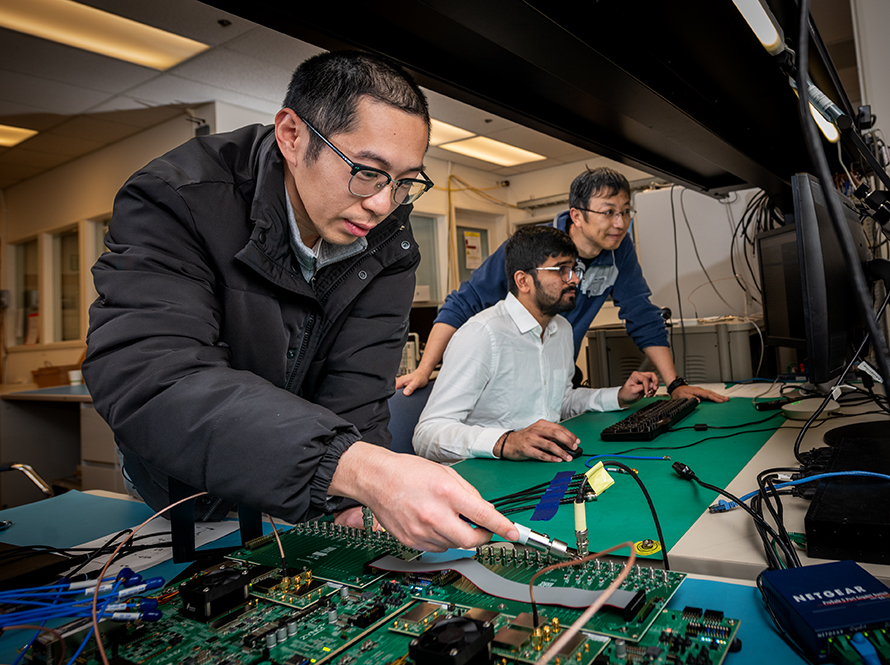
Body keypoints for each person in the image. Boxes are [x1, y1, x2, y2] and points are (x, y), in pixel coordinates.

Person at [83, 51, 518, 553]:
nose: (382, 203)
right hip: (178, 491)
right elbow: (152, 376)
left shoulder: (388, 242)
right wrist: (355, 468)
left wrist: (353, 501)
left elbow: (357, 390)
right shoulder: (177, 197)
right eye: (367, 171)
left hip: (303, 489)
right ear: (292, 135)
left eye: (404, 182)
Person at [398, 168, 728, 404]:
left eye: (626, 212)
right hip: (502, 383)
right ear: (577, 215)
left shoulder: (618, 249)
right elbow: (463, 302)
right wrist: (425, 369)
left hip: (557, 378)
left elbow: (642, 314)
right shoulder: (531, 246)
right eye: (609, 212)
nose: (620, 223)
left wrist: (675, 384)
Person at [413, 225, 659, 463]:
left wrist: (618, 396)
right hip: (484, 478)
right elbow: (427, 434)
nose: (574, 279)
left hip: (541, 467)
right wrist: (506, 442)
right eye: (561, 270)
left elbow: (560, 402)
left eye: (574, 269)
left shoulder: (561, 329)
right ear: (523, 281)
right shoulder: (482, 334)